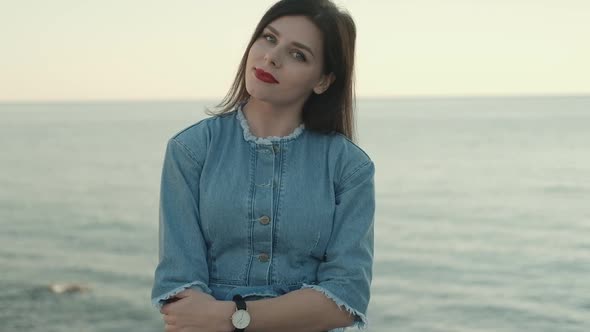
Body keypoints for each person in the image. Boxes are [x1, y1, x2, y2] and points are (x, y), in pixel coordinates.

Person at [151, 0, 375, 331]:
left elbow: (347, 296)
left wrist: (233, 317)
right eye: (269, 38)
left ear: (323, 81)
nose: (272, 57)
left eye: (298, 54)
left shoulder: (350, 168)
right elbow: (180, 294)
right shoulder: (190, 150)